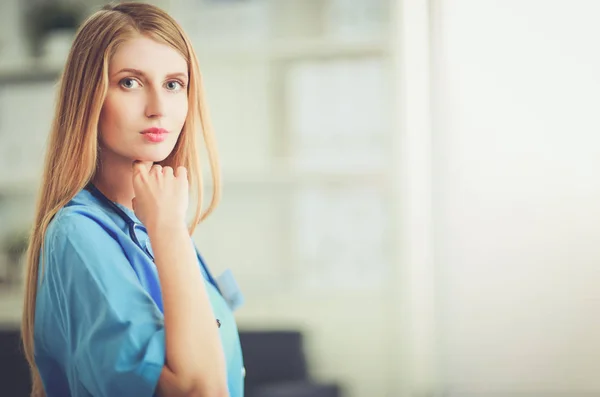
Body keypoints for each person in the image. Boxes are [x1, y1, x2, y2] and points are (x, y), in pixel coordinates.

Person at [20, 2, 245, 396]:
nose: (158, 108)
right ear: (88, 98)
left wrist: (167, 227)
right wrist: (169, 229)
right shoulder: (79, 235)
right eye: (130, 82)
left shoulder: (156, 218)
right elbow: (201, 389)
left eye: (173, 84)